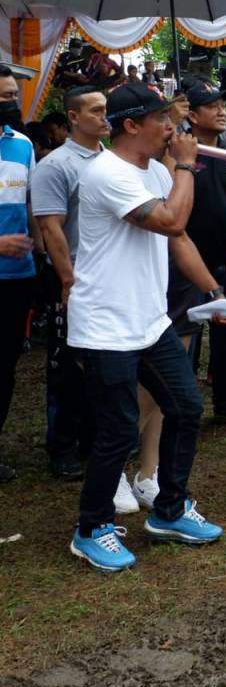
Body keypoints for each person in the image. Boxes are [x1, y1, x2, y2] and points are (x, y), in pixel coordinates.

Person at [68, 83, 225, 572]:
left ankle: (170, 511)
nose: (172, 127)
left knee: (186, 407)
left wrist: (212, 290)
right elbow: (171, 221)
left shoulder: (155, 170)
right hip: (105, 325)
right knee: (118, 429)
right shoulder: (106, 173)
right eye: (162, 119)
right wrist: (185, 165)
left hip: (149, 321)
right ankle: (91, 528)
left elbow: (178, 240)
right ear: (132, 125)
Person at [31, 86, 108, 481]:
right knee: (66, 367)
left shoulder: (111, 160)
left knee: (102, 363)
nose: (104, 117)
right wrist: (67, 280)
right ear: (74, 117)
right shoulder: (56, 165)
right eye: (96, 110)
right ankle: (61, 447)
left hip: (108, 275)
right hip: (73, 275)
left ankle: (94, 439)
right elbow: (51, 228)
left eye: (106, 109)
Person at [175, 81, 226, 423]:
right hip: (189, 262)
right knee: (187, 335)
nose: (221, 111)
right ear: (192, 115)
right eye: (212, 106)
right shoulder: (179, 151)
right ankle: (182, 408)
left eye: (223, 104)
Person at [0, 66, 36, 482]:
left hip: (17, 277)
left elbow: (29, 204)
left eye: (13, 95)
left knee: (6, 367)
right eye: (3, 97)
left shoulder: (23, 145)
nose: (11, 103)